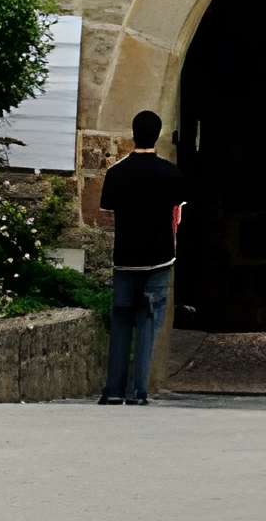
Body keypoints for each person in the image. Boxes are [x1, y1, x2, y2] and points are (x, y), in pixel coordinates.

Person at [97, 109, 183, 405]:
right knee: (147, 320)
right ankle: (139, 390)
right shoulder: (170, 173)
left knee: (121, 319)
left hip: (126, 256)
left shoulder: (116, 173)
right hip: (159, 256)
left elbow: (107, 211)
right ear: (158, 134)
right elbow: (177, 210)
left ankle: (114, 388)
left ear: (133, 133)